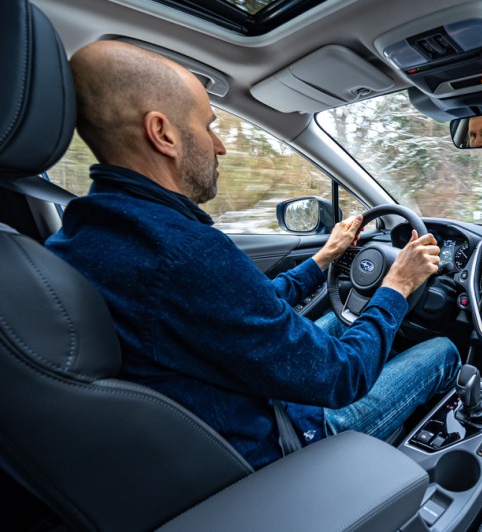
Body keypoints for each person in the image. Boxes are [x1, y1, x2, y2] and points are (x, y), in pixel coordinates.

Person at [46, 41, 460, 470]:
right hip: (278, 441)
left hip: (213, 419)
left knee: (343, 319)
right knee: (443, 349)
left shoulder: (83, 236)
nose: (219, 146)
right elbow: (343, 376)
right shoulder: (184, 252)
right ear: (163, 134)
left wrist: (323, 259)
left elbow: (244, 303)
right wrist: (397, 286)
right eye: (207, 126)